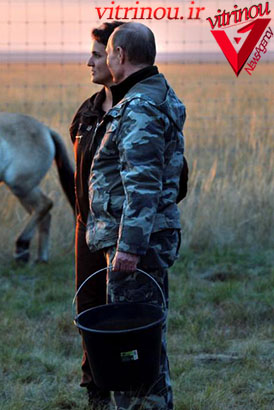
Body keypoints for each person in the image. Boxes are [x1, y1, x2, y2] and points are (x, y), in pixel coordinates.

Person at [85, 22, 186, 409]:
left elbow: (141, 185)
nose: (104, 59)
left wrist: (128, 248)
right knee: (146, 343)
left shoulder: (140, 107)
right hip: (144, 240)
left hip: (136, 248)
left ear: (120, 57)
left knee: (133, 348)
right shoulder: (155, 95)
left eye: (107, 53)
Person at [70, 20, 124, 409]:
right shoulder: (87, 112)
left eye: (95, 54)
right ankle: (96, 391)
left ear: (116, 57)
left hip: (126, 235)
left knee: (126, 316)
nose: (88, 61)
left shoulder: (139, 112)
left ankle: (132, 387)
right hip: (86, 229)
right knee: (89, 310)